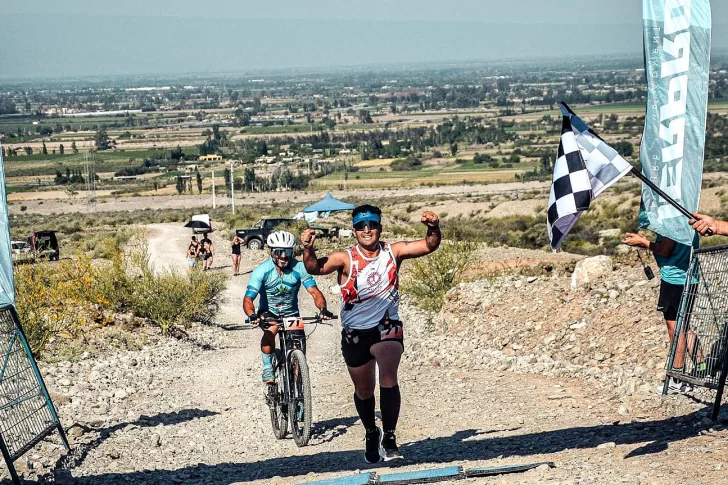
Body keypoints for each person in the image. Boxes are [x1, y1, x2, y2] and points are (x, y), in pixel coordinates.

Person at [301, 204, 441, 464]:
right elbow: (314, 269)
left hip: (387, 325)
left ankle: (389, 437)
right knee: (364, 391)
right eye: (361, 226)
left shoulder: (393, 251)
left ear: (380, 227)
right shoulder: (345, 258)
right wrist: (308, 248)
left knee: (388, 378)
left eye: (372, 225)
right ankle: (370, 431)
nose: (367, 230)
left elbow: (429, 245)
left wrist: (433, 227)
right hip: (355, 334)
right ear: (354, 231)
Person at [622, 231, 706, 392]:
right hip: (689, 277)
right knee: (684, 325)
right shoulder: (685, 217)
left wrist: (644, 241)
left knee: (675, 328)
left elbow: (666, 249)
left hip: (675, 279)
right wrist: (644, 242)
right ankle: (701, 366)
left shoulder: (671, 223)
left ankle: (677, 378)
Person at [244, 230, 332, 384]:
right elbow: (248, 298)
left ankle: (298, 388)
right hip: (269, 312)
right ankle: (267, 368)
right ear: (271, 251)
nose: (283, 256)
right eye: (279, 251)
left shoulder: (300, 268)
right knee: (271, 330)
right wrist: (252, 314)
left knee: (299, 353)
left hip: (291, 314)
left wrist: (323, 309)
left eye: (287, 251)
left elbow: (315, 292)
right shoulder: (262, 270)